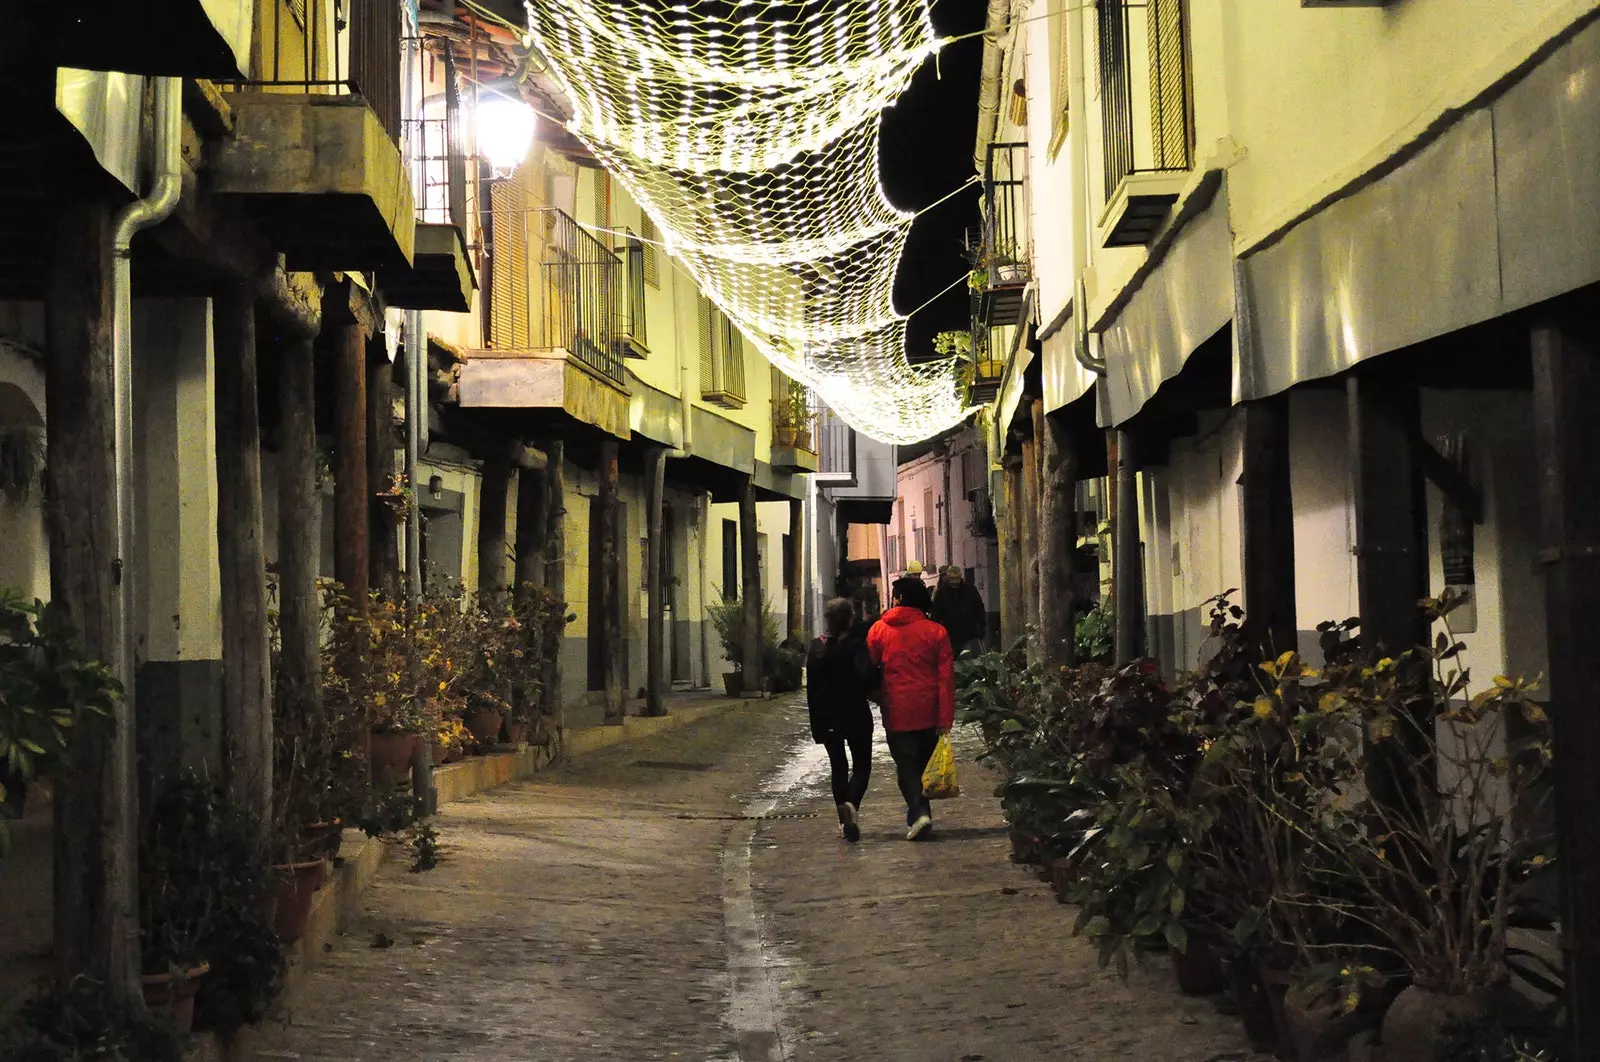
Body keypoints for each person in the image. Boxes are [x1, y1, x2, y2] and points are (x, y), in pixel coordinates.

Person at [867, 575, 955, 841]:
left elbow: (869, 668)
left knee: (906, 765)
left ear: (899, 599)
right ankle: (919, 812)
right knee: (923, 764)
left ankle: (918, 812)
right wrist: (945, 717)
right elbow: (946, 679)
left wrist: (877, 696)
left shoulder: (878, 631)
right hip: (929, 709)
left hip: (896, 708)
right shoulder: (936, 632)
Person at [806, 599, 877, 842]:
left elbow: (811, 691)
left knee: (838, 766)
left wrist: (817, 726)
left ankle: (842, 818)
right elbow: (868, 679)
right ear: (850, 619)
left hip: (827, 717)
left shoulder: (817, 647)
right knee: (862, 766)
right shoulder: (857, 647)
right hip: (855, 713)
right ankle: (851, 804)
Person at [930, 565, 987, 657]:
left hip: (969, 634)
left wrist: (981, 628)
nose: (954, 583)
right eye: (952, 580)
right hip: (950, 634)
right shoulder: (941, 593)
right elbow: (936, 614)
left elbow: (979, 609)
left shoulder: (970, 590)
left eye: (956, 580)